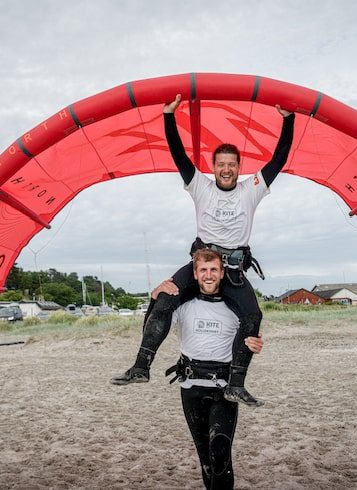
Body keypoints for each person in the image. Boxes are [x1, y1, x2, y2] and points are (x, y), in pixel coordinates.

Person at [111, 95, 294, 406]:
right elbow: (179, 155)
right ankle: (141, 367)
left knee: (253, 316)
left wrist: (288, 120)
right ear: (214, 167)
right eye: (220, 164)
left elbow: (278, 160)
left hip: (232, 270)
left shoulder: (252, 189)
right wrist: (169, 116)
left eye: (231, 165)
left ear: (239, 167)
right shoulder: (200, 187)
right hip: (201, 264)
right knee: (164, 297)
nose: (226, 169)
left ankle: (236, 384)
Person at [156, 249, 264, 489]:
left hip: (223, 389)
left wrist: (255, 344)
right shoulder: (182, 307)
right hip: (190, 388)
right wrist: (156, 296)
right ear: (194, 274)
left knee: (220, 454)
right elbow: (157, 323)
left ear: (222, 273)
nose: (208, 275)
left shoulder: (236, 309)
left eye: (213, 269)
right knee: (205, 459)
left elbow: (250, 338)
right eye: (203, 270)